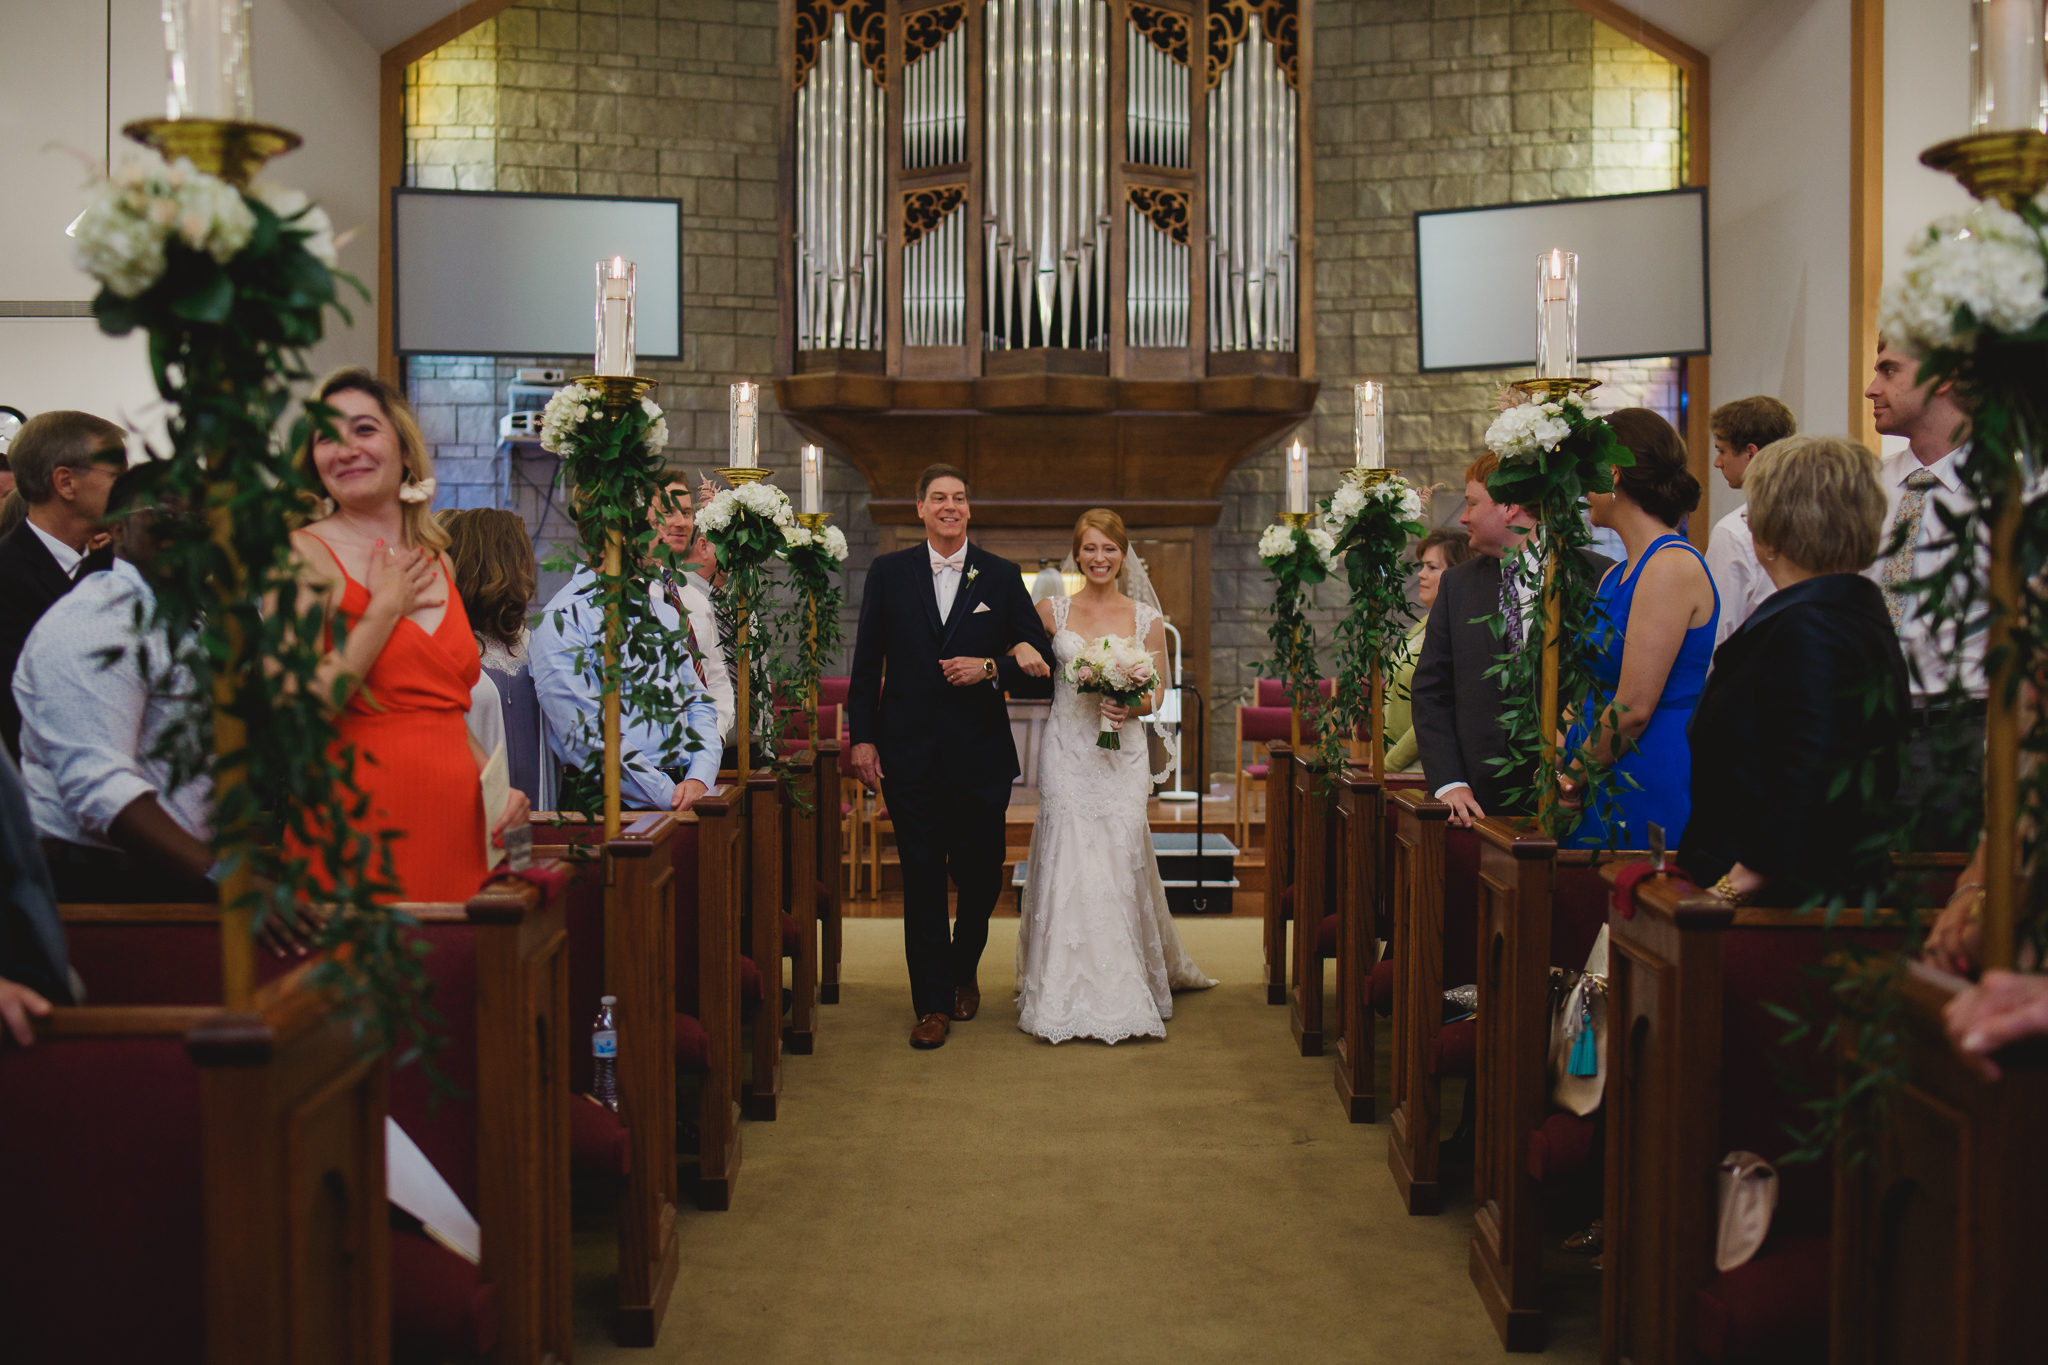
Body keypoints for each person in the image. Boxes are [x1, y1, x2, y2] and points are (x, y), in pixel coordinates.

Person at [289, 369, 528, 902]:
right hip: (361, 817)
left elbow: (446, 706)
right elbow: (298, 712)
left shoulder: (437, 557)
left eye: (364, 430)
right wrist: (383, 610)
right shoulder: (300, 555)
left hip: (461, 818)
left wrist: (497, 790)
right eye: (328, 436)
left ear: (403, 448)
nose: (346, 448)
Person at [846, 463, 1056, 1049]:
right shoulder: (890, 574)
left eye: (959, 498)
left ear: (968, 509)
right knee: (920, 881)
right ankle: (933, 1003)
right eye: (938, 498)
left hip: (980, 756)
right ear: (920, 508)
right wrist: (862, 738)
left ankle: (964, 968)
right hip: (908, 754)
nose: (950, 506)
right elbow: (866, 665)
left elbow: (1043, 663)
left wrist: (991, 665)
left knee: (982, 876)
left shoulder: (999, 574)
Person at [1678, 436, 1909, 906]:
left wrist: (1733, 885)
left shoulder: (1813, 626)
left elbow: (1815, 770)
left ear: (1772, 531)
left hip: (1777, 903)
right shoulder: (1842, 611)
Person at [1013, 509, 1214, 1044]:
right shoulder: (1051, 610)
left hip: (1121, 755)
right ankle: (1058, 988)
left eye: (1110, 549)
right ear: (1076, 554)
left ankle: (1126, 985)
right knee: (1070, 852)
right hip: (1069, 751)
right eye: (1090, 549)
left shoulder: (1145, 617)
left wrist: (1132, 703)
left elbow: (1157, 693)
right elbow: (1011, 641)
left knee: (1118, 855)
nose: (1100, 559)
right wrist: (1021, 645)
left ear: (1124, 555)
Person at [16, 478, 214, 902]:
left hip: (166, 876)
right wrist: (223, 877)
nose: (185, 531)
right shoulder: (99, 619)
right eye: (164, 516)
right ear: (119, 529)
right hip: (101, 885)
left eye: (199, 519)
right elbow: (100, 788)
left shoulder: (183, 619)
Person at [1412, 454, 1613, 828]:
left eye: (1472, 503)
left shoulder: (1597, 578)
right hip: (1477, 805)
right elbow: (1431, 690)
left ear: (1510, 506)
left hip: (1573, 799)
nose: (1463, 517)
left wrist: (1571, 777)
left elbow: (1604, 688)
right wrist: (1449, 783)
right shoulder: (1458, 586)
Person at [1564, 408, 1718, 849]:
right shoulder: (1616, 575)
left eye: (1586, 470)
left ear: (1612, 474)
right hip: (1597, 764)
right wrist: (1559, 759)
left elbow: (1633, 709)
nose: (1580, 488)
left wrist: (1571, 779)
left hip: (1642, 768)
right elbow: (1588, 685)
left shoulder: (1670, 566)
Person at [530, 490, 723, 815]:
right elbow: (585, 735)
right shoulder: (562, 619)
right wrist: (667, 795)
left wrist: (700, 775)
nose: (664, 534)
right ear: (619, 532)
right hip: (606, 806)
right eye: (653, 523)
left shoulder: (660, 611)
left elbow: (698, 701)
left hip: (682, 794)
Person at [1864, 338, 1981, 838]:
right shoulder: (1867, 487)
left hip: (1963, 737)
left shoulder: (2013, 489)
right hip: (1865, 735)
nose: (1872, 388)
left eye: (1889, 371)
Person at [0, 410, 124, 759]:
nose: (128, 491)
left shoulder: (114, 565)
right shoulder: (7, 578)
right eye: (116, 475)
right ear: (66, 482)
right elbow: (24, 718)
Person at [441, 508, 557, 813]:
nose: (528, 571)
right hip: (475, 811)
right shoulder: (447, 647)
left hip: (536, 813)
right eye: (520, 560)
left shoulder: (532, 644)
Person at [1705, 395, 1797, 648]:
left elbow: (1721, 635)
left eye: (1721, 451)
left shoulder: (1734, 531)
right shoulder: (1817, 515)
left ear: (1751, 453)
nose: (1717, 462)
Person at [653, 479, 734, 746]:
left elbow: (717, 679)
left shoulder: (694, 599)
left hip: (703, 757)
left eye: (686, 513)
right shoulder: (631, 595)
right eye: (668, 511)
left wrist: (715, 738)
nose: (681, 522)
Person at [1384, 529, 1471, 772]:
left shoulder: (1460, 630)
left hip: (1421, 766)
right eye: (1423, 566)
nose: (1421, 575)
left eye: (1432, 567)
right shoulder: (1422, 625)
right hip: (1392, 759)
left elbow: (1437, 704)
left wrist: (1391, 762)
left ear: (1458, 574)